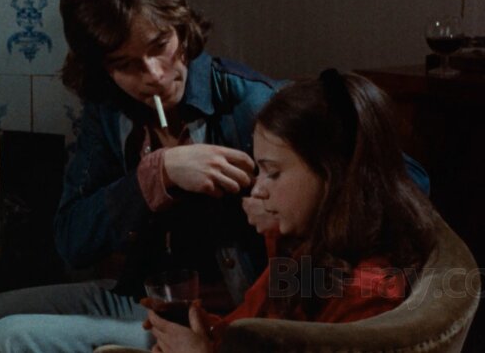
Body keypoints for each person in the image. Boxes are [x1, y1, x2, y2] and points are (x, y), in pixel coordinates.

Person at [0, 0, 429, 352]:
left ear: (181, 27)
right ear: (103, 69)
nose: (154, 76)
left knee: (10, 340)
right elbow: (70, 242)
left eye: (160, 47)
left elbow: (397, 179)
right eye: (126, 65)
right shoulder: (109, 112)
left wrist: (273, 203)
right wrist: (154, 176)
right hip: (135, 294)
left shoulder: (249, 103)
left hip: (219, 311)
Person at [142, 70, 439, 353]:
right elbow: (252, 328)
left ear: (331, 173)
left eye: (273, 173)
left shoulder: (366, 290)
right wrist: (201, 330)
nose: (257, 190)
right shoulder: (306, 247)